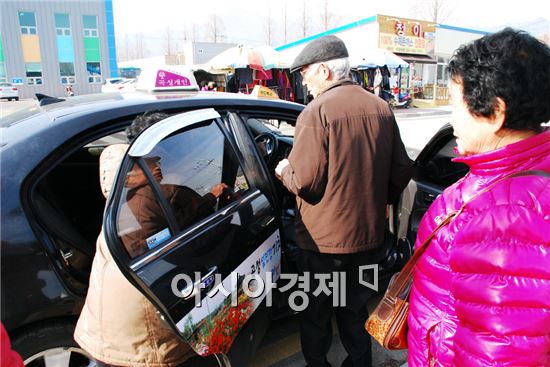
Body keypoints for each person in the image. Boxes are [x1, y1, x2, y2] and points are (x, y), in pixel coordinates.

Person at [407, 28, 550, 366]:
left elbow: (499, 354)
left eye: (457, 105)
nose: (452, 118)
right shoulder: (516, 178)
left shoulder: (507, 217)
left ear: (496, 113)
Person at [274, 35, 412, 367]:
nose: (303, 82)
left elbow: (306, 183)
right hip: (368, 239)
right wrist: (379, 202)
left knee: (316, 313)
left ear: (323, 70)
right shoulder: (380, 108)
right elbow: (401, 170)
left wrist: (283, 172)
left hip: (322, 245)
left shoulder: (315, 112)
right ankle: (360, 362)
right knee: (354, 308)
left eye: (305, 73)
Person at [74, 111, 226, 367]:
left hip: (108, 321)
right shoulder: (144, 199)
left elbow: (172, 222)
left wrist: (209, 199)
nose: (160, 164)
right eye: (154, 158)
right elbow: (159, 247)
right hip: (141, 327)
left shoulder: (121, 190)